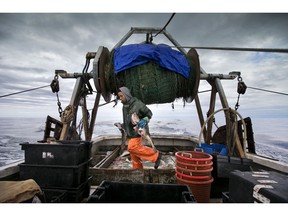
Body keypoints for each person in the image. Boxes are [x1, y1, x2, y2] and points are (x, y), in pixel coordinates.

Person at [116, 86, 162, 170]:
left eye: (121, 96)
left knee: (131, 147)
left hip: (138, 131)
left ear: (126, 95)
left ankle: (156, 155)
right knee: (135, 158)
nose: (120, 98)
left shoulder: (137, 104)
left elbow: (149, 113)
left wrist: (145, 119)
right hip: (130, 133)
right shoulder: (125, 106)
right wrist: (122, 125)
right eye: (119, 97)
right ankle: (138, 172)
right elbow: (127, 120)